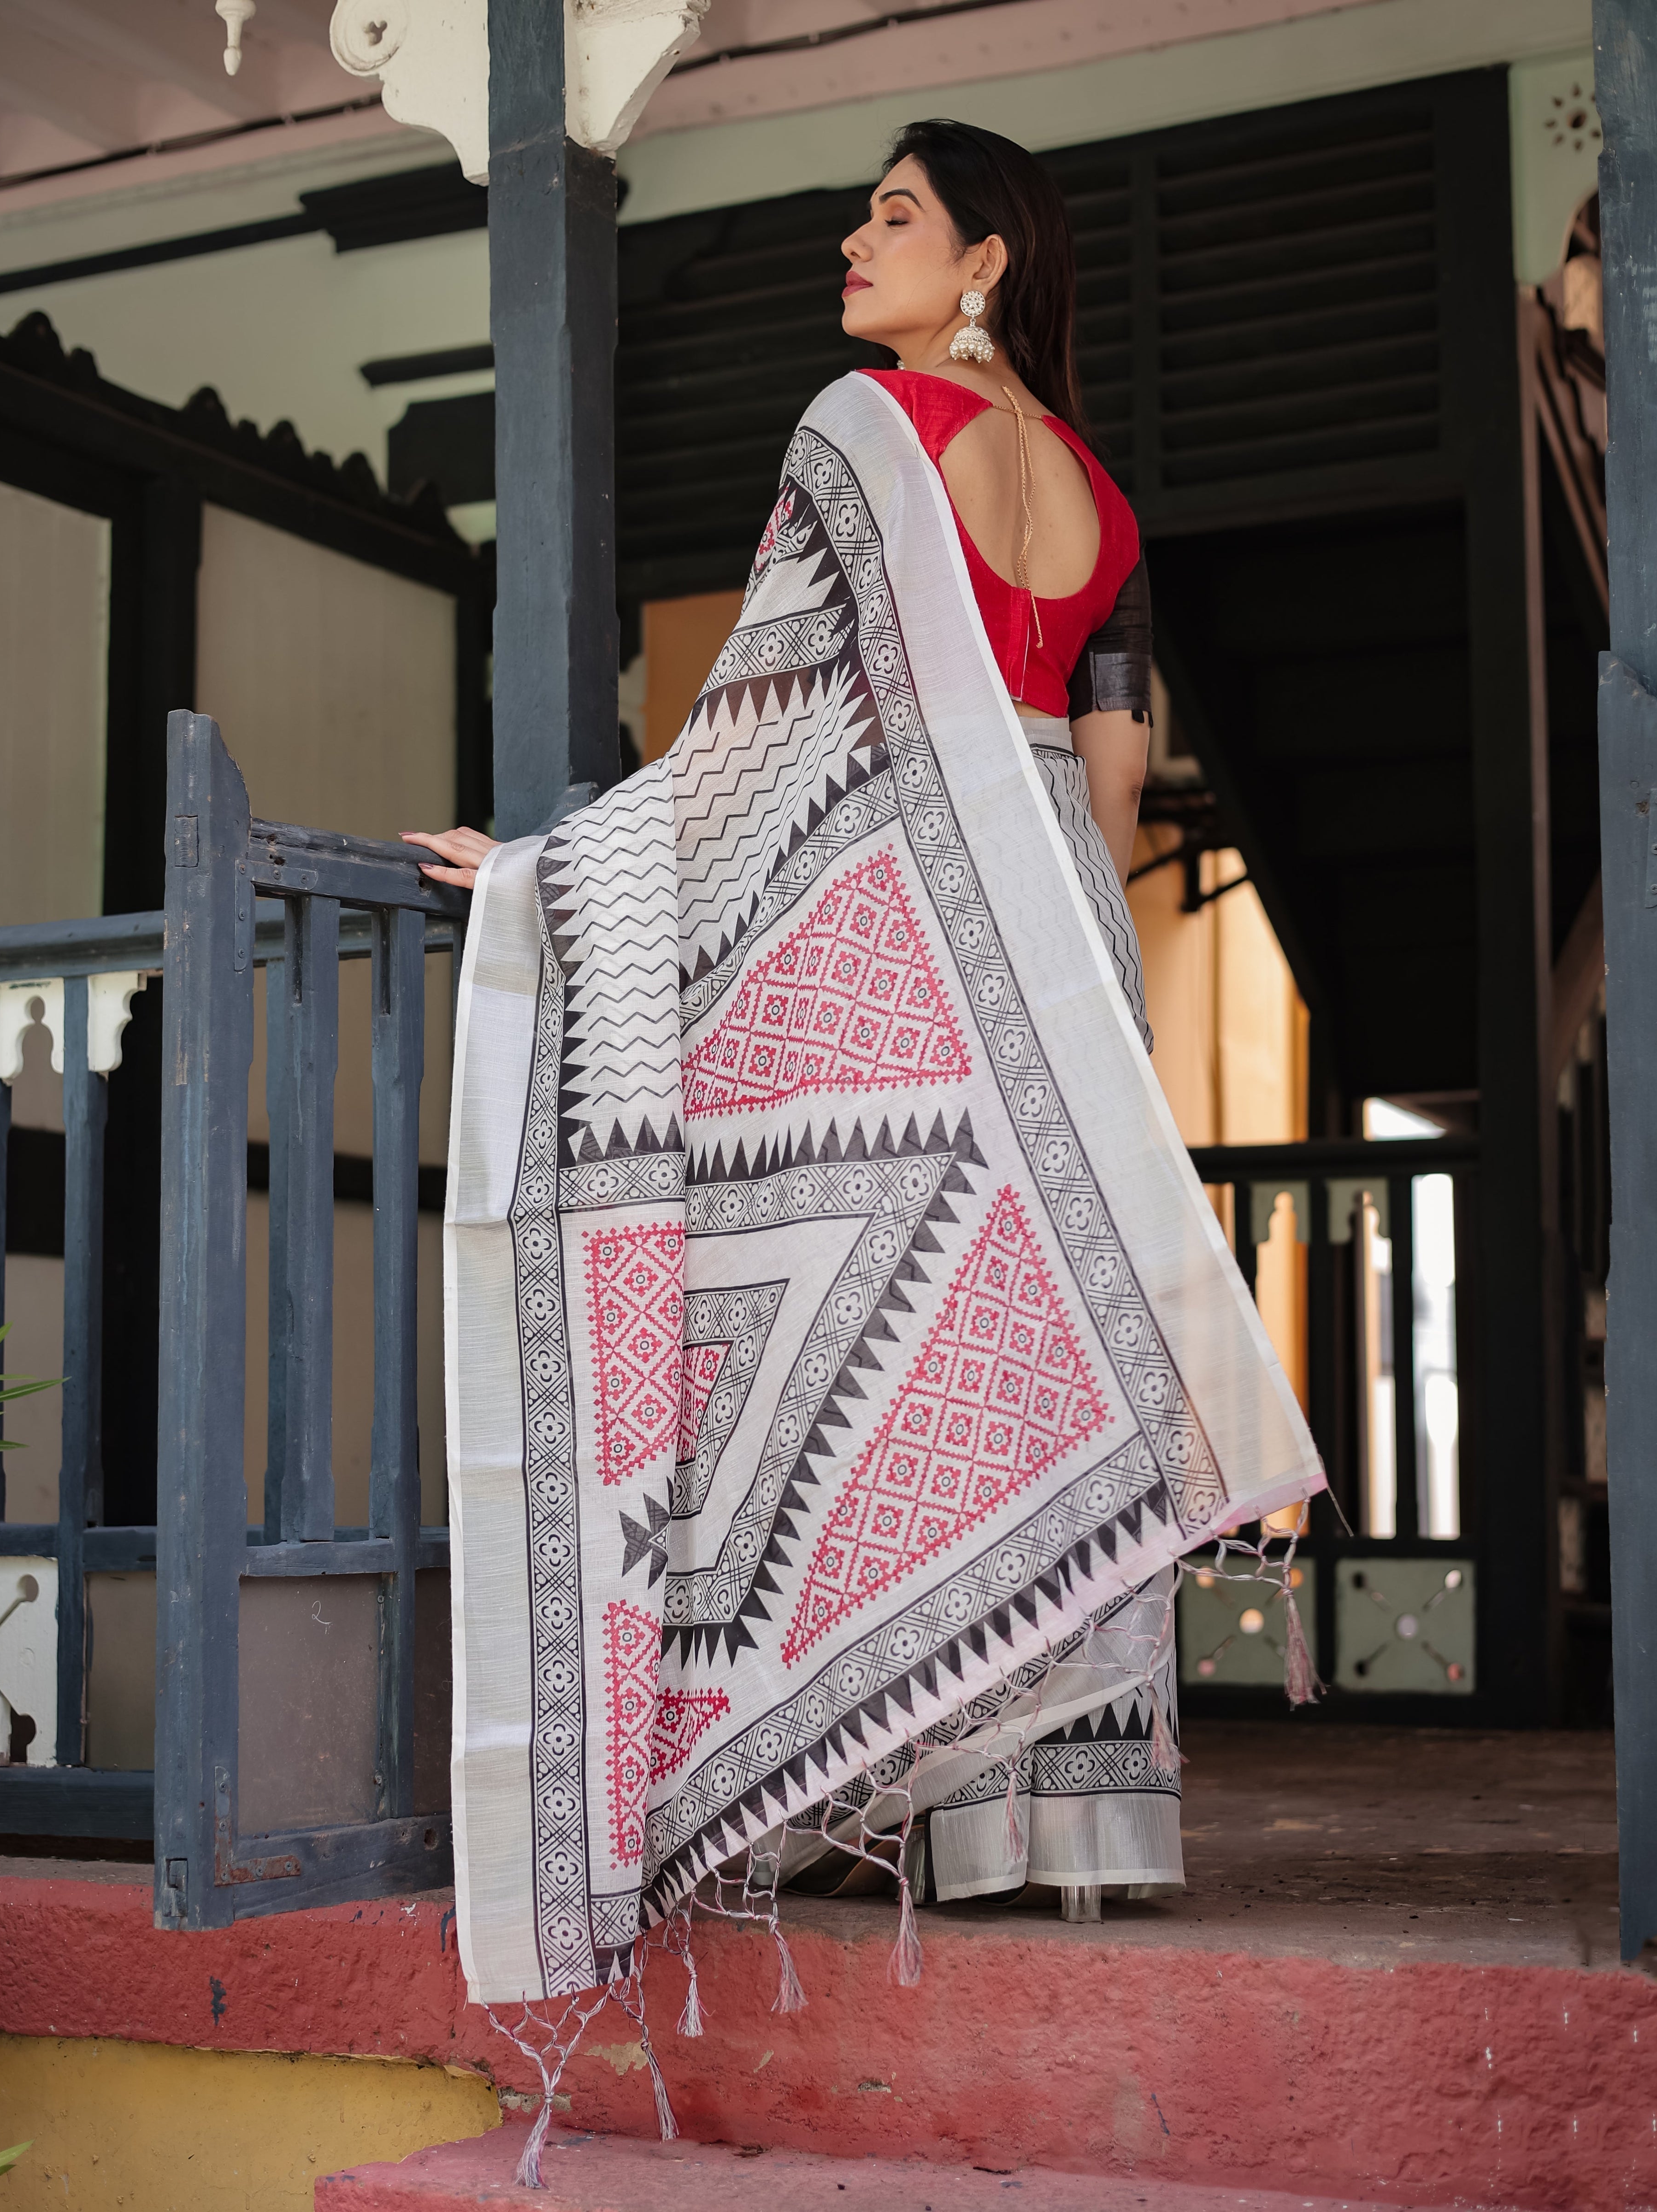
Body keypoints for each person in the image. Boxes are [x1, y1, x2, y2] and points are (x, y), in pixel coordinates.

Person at [407, 123, 1316, 2044]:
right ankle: (1066, 1822)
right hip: (1060, 931)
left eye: (894, 214)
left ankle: (847, 1766)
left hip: (908, 927)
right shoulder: (1104, 500)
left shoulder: (872, 430)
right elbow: (1111, 775)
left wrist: (552, 873)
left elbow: (761, 721)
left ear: (983, 258)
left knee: (829, 1313)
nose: (855, 238)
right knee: (1040, 1341)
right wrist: (1071, 999)